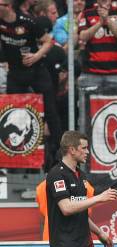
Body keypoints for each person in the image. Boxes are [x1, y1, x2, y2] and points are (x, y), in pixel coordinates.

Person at [0, 0, 63, 171]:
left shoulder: (27, 21)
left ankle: (62, 155)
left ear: (9, 7)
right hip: (15, 73)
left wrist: (37, 56)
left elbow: (49, 41)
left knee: (50, 111)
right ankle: (15, 162)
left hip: (36, 70)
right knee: (13, 113)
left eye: (2, 5)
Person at [78, 0, 117, 88]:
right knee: (88, 102)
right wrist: (100, 23)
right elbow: (83, 36)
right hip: (91, 72)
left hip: (116, 73)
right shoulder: (87, 12)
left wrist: (107, 19)